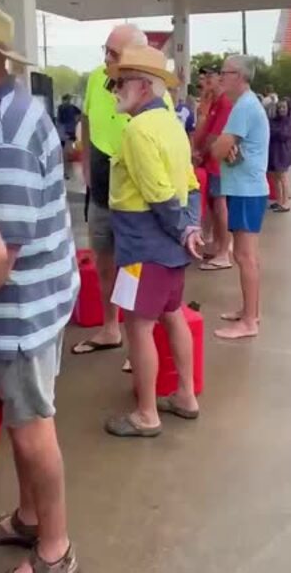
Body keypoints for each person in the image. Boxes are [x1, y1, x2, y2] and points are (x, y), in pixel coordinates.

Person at [0, 7, 80, 573]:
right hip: (39, 297)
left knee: (30, 428)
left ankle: (56, 548)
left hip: (20, 308)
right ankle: (29, 518)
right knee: (29, 417)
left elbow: (0, 256)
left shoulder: (6, 132)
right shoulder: (14, 113)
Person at [104, 45, 202, 437]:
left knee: (137, 325)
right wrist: (190, 228)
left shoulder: (138, 130)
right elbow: (191, 185)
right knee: (171, 313)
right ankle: (185, 396)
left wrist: (182, 228)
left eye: (122, 81)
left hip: (142, 245)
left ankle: (146, 414)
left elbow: (158, 192)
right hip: (167, 249)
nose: (116, 89)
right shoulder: (171, 125)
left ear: (143, 86)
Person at [72, 24, 148, 358]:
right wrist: (86, 163)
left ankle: (140, 347)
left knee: (135, 272)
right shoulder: (94, 80)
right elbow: (87, 119)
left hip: (135, 200)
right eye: (105, 50)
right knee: (105, 263)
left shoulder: (149, 89)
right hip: (101, 189)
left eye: (113, 53)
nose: (106, 58)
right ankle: (110, 328)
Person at [212, 55, 269, 340]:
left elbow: (219, 148)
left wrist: (220, 146)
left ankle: (249, 321)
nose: (221, 77)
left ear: (240, 76)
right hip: (245, 188)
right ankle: (250, 311)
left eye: (225, 73)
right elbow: (225, 146)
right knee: (247, 255)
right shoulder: (245, 105)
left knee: (244, 255)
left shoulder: (244, 106)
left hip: (247, 190)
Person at [193, 65, 233, 271]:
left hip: (217, 163)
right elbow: (203, 130)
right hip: (209, 162)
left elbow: (215, 136)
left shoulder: (225, 103)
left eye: (211, 75)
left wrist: (200, 153)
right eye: (204, 76)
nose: (206, 80)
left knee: (220, 206)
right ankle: (219, 246)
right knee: (214, 207)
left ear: (220, 78)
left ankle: (224, 251)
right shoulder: (213, 102)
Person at [268, 99, 291, 212]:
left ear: (288, 108)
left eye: (284, 107)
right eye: (279, 107)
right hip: (274, 151)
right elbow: (271, 131)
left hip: (283, 152)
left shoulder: (290, 121)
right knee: (275, 177)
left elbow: (284, 135)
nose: (281, 109)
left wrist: (275, 132)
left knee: (282, 177)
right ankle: (279, 200)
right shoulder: (275, 120)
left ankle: (286, 203)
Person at [57, 95, 81, 179]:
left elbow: (59, 120)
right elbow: (80, 115)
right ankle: (65, 173)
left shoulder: (61, 108)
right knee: (66, 154)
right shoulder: (71, 108)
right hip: (68, 133)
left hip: (63, 133)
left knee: (64, 154)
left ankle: (64, 172)